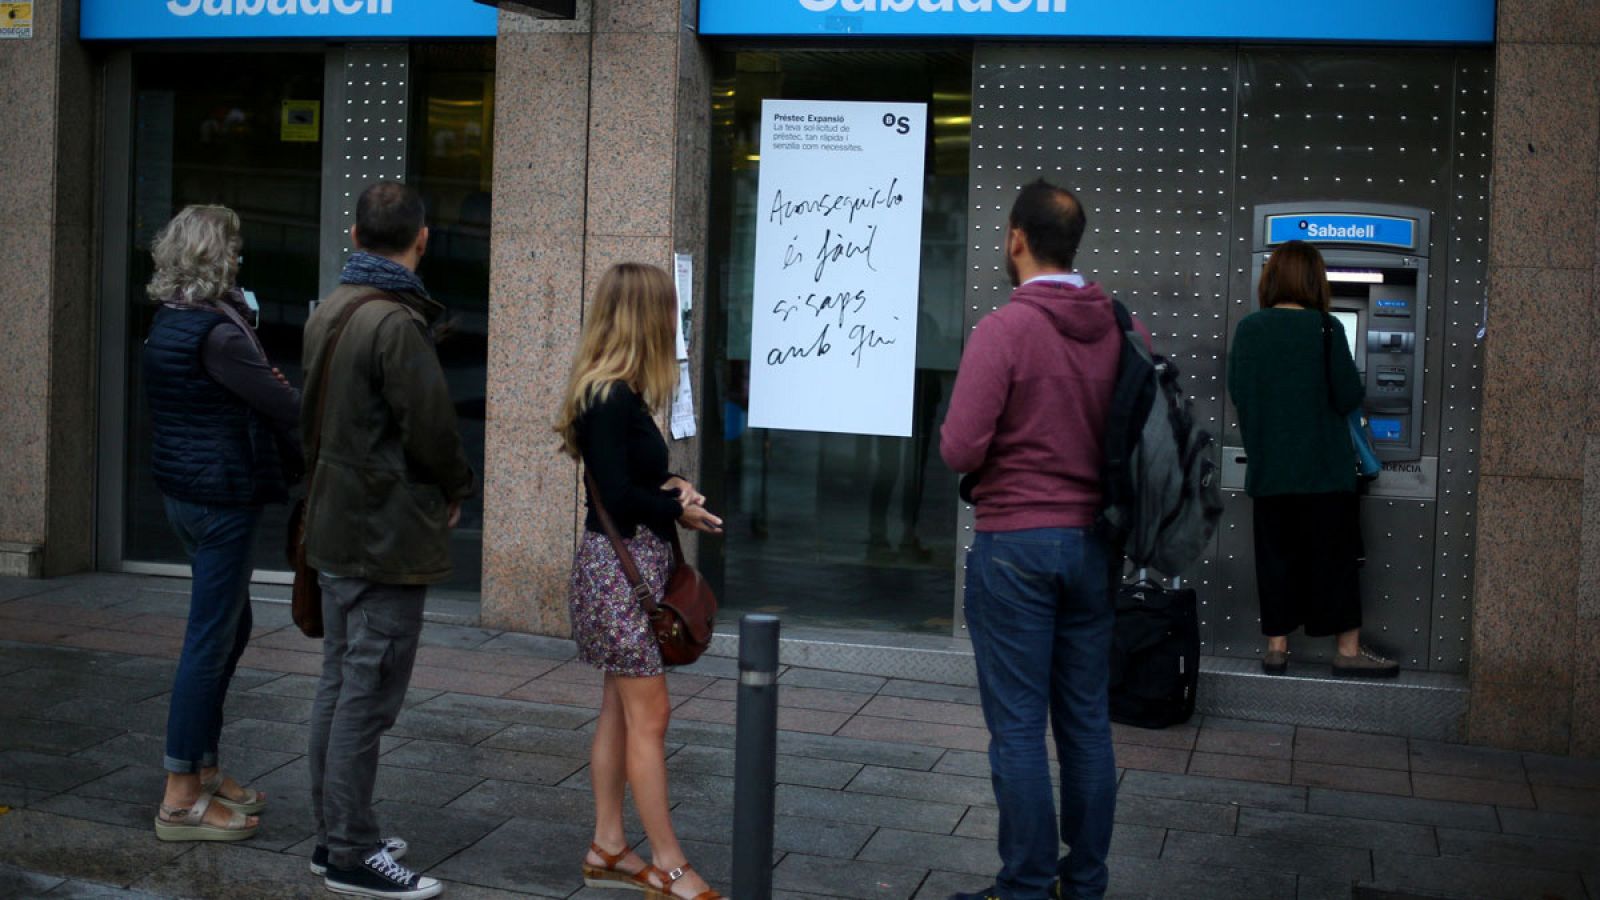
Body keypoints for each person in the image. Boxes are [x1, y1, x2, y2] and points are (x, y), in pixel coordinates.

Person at [940, 180, 1136, 900]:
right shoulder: (1122, 326)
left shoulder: (1005, 330)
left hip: (1016, 547)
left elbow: (962, 448)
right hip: (1094, 547)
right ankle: (1082, 884)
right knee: (1086, 722)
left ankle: (1024, 885)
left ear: (1016, 238)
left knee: (1019, 728)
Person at [303, 181, 475, 899]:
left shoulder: (332, 308)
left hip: (338, 525)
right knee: (365, 695)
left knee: (340, 684)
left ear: (353, 234)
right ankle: (349, 850)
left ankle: (336, 832)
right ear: (422, 238)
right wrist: (455, 488)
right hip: (382, 534)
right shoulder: (395, 324)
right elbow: (431, 429)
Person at [555, 263, 725, 900]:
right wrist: (672, 506)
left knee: (621, 714)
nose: (675, 327)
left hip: (625, 570)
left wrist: (672, 487)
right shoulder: (608, 396)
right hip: (617, 575)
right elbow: (621, 496)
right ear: (644, 317)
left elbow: (630, 482)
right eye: (669, 313)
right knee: (649, 718)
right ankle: (671, 865)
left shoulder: (615, 390)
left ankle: (607, 845)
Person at [144, 205, 301, 842]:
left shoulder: (170, 320)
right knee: (209, 641)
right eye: (233, 248)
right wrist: (281, 388)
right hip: (220, 500)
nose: (240, 257)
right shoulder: (219, 332)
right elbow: (286, 406)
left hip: (184, 495)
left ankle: (203, 768)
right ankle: (180, 797)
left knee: (232, 625)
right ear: (218, 256)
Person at [1226, 240, 1399, 679]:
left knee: (1276, 558)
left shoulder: (1250, 329)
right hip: (1325, 472)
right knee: (1334, 560)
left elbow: (1241, 394)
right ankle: (1347, 649)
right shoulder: (1327, 329)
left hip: (1270, 472)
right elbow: (1347, 395)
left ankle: (1277, 648)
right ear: (1314, 281)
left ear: (1272, 279)